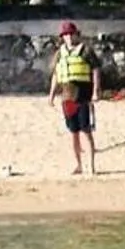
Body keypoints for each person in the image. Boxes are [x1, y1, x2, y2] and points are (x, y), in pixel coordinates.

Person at [47, 20, 100, 175]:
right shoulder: (60, 54)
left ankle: (91, 165)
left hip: (83, 96)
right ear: (62, 37)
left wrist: (96, 91)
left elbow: (96, 70)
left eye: (71, 34)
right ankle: (78, 165)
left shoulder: (86, 51)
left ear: (77, 34)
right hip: (67, 97)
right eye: (66, 35)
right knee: (73, 132)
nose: (69, 37)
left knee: (86, 130)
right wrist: (51, 95)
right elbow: (56, 75)